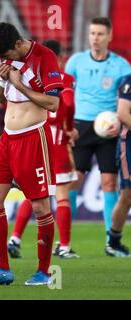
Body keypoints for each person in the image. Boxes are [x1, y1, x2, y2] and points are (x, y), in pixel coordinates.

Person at [0, 22, 63, 286]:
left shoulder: (44, 57)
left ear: (18, 44)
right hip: (7, 140)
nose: (4, 60)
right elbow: (2, 99)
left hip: (34, 138)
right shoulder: (5, 57)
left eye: (6, 55)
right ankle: (1, 269)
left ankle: (44, 272)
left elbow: (54, 103)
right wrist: (1, 81)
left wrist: (19, 84)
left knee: (40, 206)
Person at [7, 40, 80, 259]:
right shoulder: (65, 80)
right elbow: (67, 104)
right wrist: (69, 129)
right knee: (62, 196)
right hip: (56, 143)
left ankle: (15, 238)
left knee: (34, 196)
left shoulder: (30, 77)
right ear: (60, 57)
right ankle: (64, 246)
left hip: (35, 141)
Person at [64, 17, 131, 254]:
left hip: (109, 129)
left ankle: (110, 242)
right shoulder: (76, 62)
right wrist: (65, 125)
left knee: (109, 183)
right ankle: (63, 242)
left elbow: (126, 100)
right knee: (73, 181)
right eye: (92, 33)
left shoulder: (122, 66)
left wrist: (119, 122)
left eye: (100, 34)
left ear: (110, 36)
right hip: (80, 127)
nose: (95, 38)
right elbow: (65, 96)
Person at [106, 74, 131, 257]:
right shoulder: (128, 81)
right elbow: (123, 113)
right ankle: (113, 242)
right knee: (128, 195)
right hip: (129, 143)